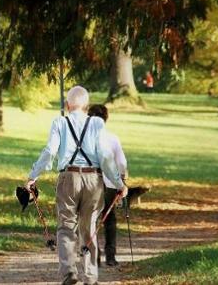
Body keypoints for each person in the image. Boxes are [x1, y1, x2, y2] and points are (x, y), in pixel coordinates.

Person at [25, 85, 128, 285]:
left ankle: (69, 273)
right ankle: (90, 277)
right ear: (86, 106)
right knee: (89, 228)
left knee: (65, 228)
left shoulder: (59, 122)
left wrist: (33, 175)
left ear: (67, 105)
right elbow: (105, 157)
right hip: (93, 180)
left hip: (68, 178)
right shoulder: (97, 124)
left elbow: (49, 151)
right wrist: (118, 183)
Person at [88, 104, 127, 267]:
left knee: (91, 219)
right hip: (110, 184)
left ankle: (94, 258)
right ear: (106, 119)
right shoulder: (112, 138)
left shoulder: (85, 139)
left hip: (90, 183)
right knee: (109, 219)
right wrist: (123, 182)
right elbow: (122, 163)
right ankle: (110, 257)